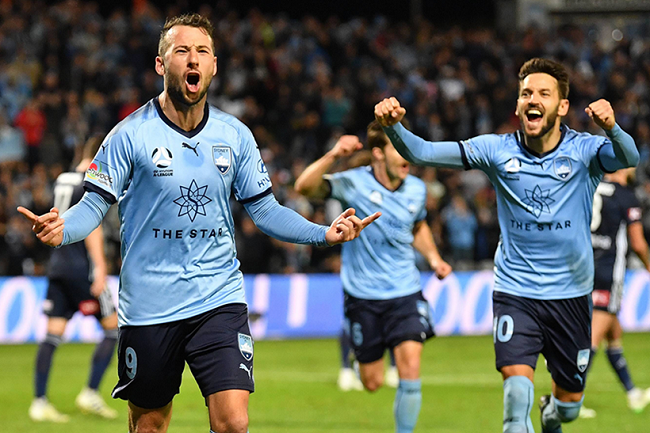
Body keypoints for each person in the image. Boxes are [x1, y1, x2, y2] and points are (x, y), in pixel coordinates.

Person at [18, 13, 378, 433]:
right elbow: (93, 205)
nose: (193, 60)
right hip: (150, 305)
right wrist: (63, 230)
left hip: (217, 296)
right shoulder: (128, 135)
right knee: (149, 426)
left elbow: (265, 210)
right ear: (161, 64)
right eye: (182, 51)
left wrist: (323, 234)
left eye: (202, 52)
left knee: (233, 423)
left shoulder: (236, 135)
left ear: (214, 66)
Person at [374, 57, 639, 433]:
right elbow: (422, 152)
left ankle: (552, 415)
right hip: (516, 291)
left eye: (544, 93)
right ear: (517, 105)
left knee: (569, 408)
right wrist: (395, 127)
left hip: (572, 295)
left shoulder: (585, 151)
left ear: (562, 106)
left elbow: (630, 157)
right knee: (516, 398)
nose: (533, 99)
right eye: (526, 93)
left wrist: (612, 127)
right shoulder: (497, 150)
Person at [294, 121, 452, 433]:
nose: (408, 155)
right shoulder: (353, 183)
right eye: (399, 148)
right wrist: (334, 154)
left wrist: (434, 258)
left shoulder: (417, 189)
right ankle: (359, 360)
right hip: (363, 297)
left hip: (405, 292)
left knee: (410, 368)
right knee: (372, 382)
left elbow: (417, 226)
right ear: (378, 153)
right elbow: (304, 187)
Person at [28, 135, 119, 423]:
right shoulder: (90, 181)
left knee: (53, 334)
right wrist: (101, 266)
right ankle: (90, 392)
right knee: (114, 328)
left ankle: (39, 401)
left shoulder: (64, 178)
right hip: (81, 266)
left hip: (58, 264)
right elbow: (90, 225)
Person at [584, 167, 650, 415]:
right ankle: (568, 398)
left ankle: (632, 393)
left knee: (614, 333)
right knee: (592, 338)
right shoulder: (626, 196)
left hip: (584, 268)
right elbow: (637, 242)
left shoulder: (591, 188)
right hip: (609, 272)